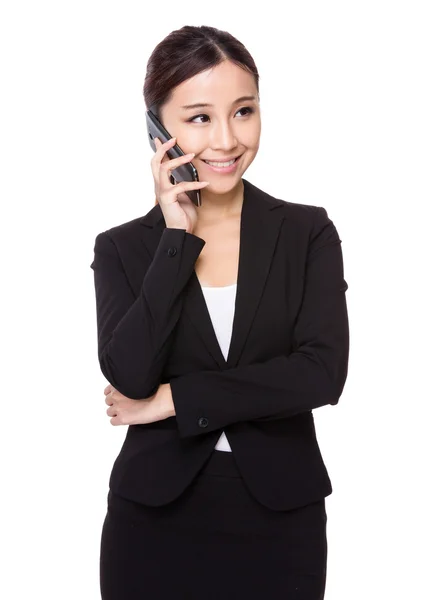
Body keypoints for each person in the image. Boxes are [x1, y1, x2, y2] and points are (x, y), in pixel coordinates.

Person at [90, 24, 349, 600]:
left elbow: (320, 374)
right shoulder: (123, 248)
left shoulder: (307, 231)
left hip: (281, 518)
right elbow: (128, 375)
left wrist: (172, 400)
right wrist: (176, 239)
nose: (228, 140)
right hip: (154, 517)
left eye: (244, 111)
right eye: (200, 117)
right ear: (158, 128)